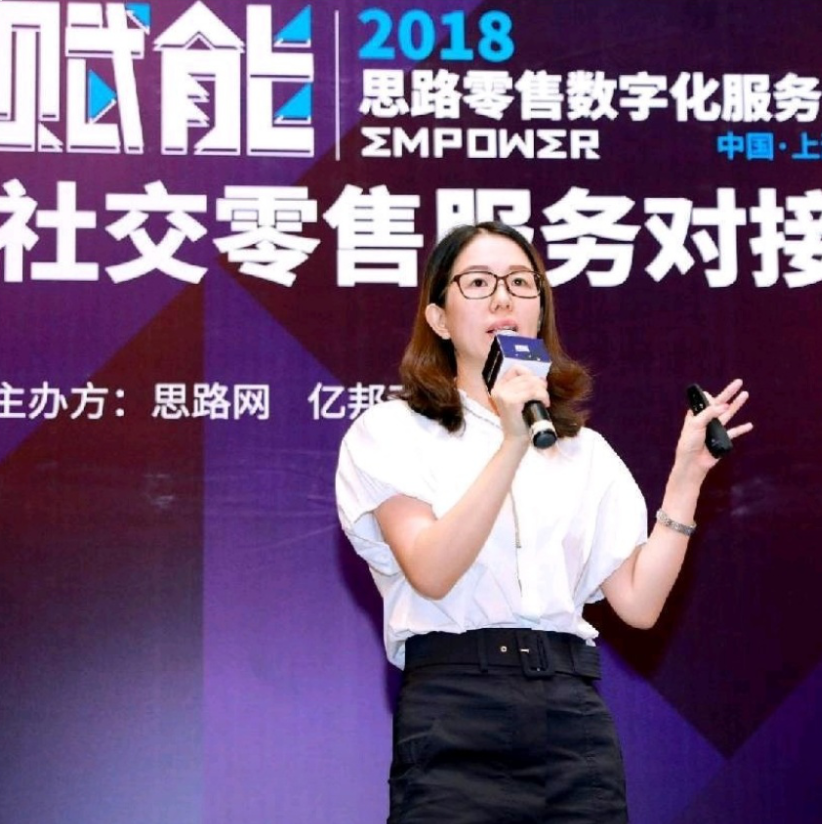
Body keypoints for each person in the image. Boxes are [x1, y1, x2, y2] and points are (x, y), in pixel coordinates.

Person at [335, 221, 752, 824]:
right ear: (440, 319)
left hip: (571, 716)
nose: (502, 298)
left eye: (519, 282)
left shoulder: (584, 449)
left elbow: (638, 604)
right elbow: (430, 569)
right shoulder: (394, 431)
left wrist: (686, 478)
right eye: (478, 283)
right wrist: (512, 440)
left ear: (539, 309)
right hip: (456, 709)